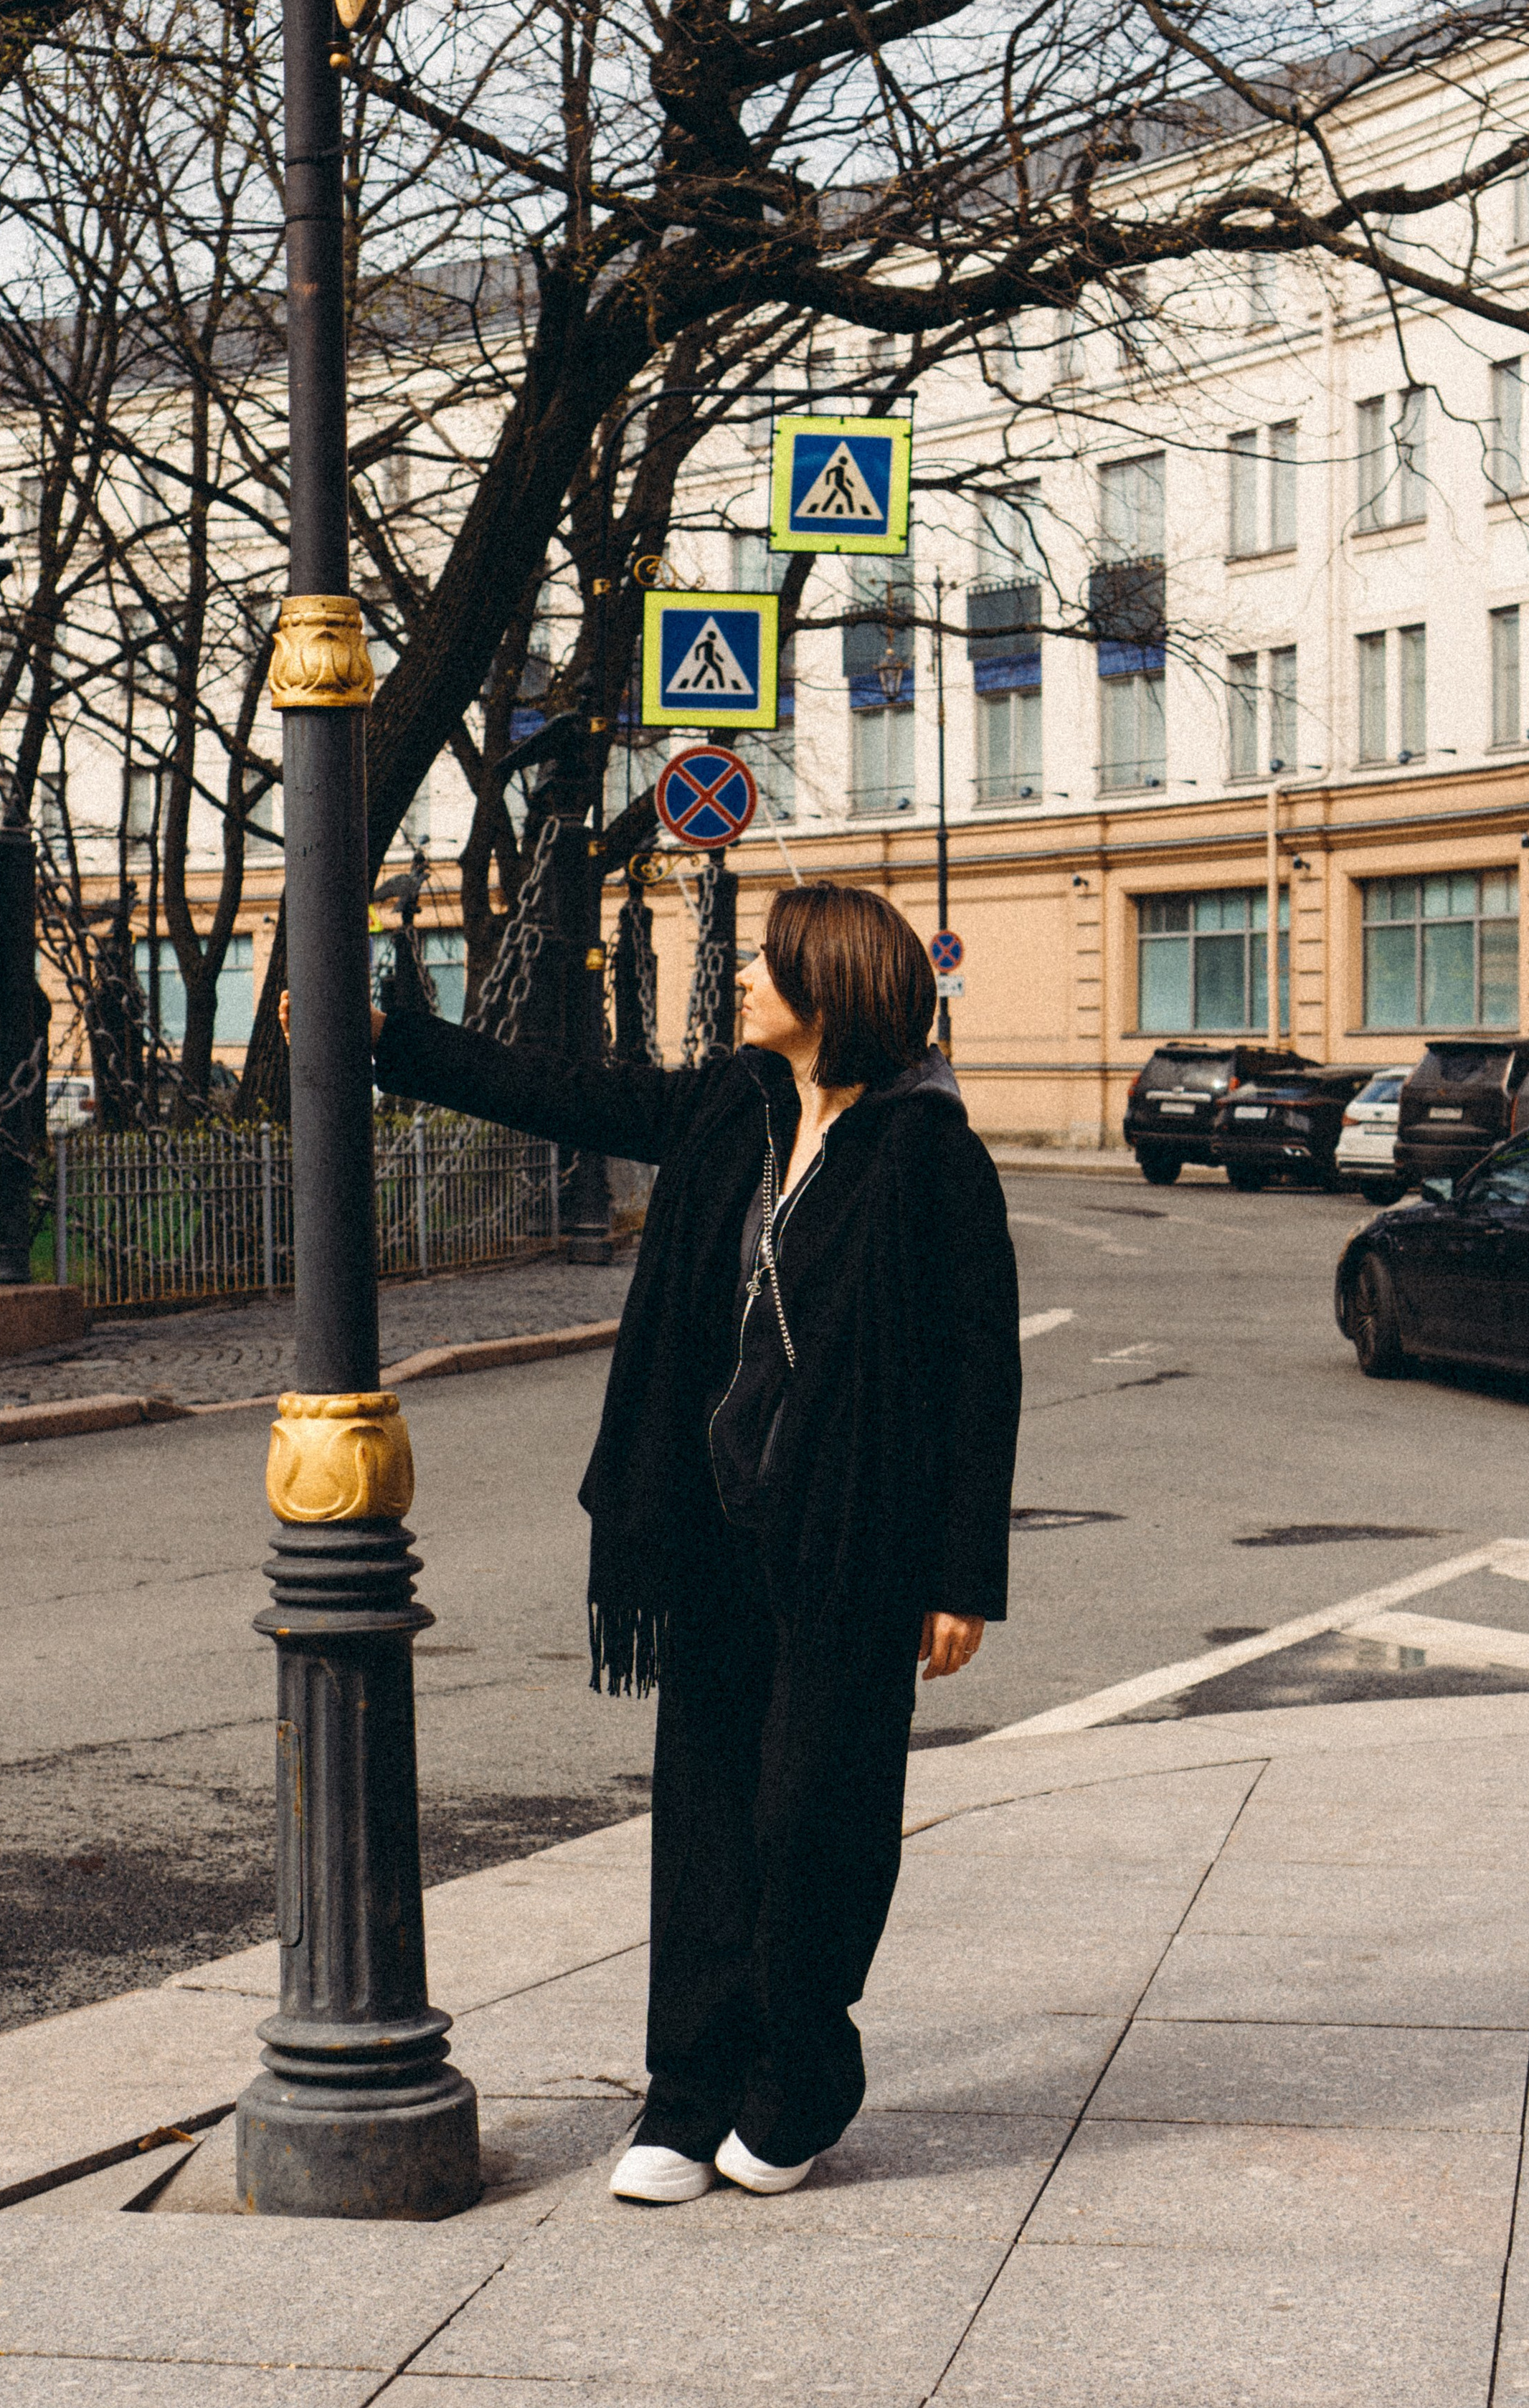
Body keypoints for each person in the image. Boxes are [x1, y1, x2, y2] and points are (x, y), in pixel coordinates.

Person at [341, 881, 1020, 2201]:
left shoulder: (929, 1153)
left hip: (851, 1549)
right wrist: (391, 1041)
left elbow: (976, 1377)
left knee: (813, 1818)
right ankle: (688, 2086)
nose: (745, 989)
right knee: (707, 1818)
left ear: (828, 993)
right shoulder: (736, 1107)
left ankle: (800, 2078)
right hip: (709, 1534)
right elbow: (574, 1095)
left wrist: (961, 1577)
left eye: (768, 971)